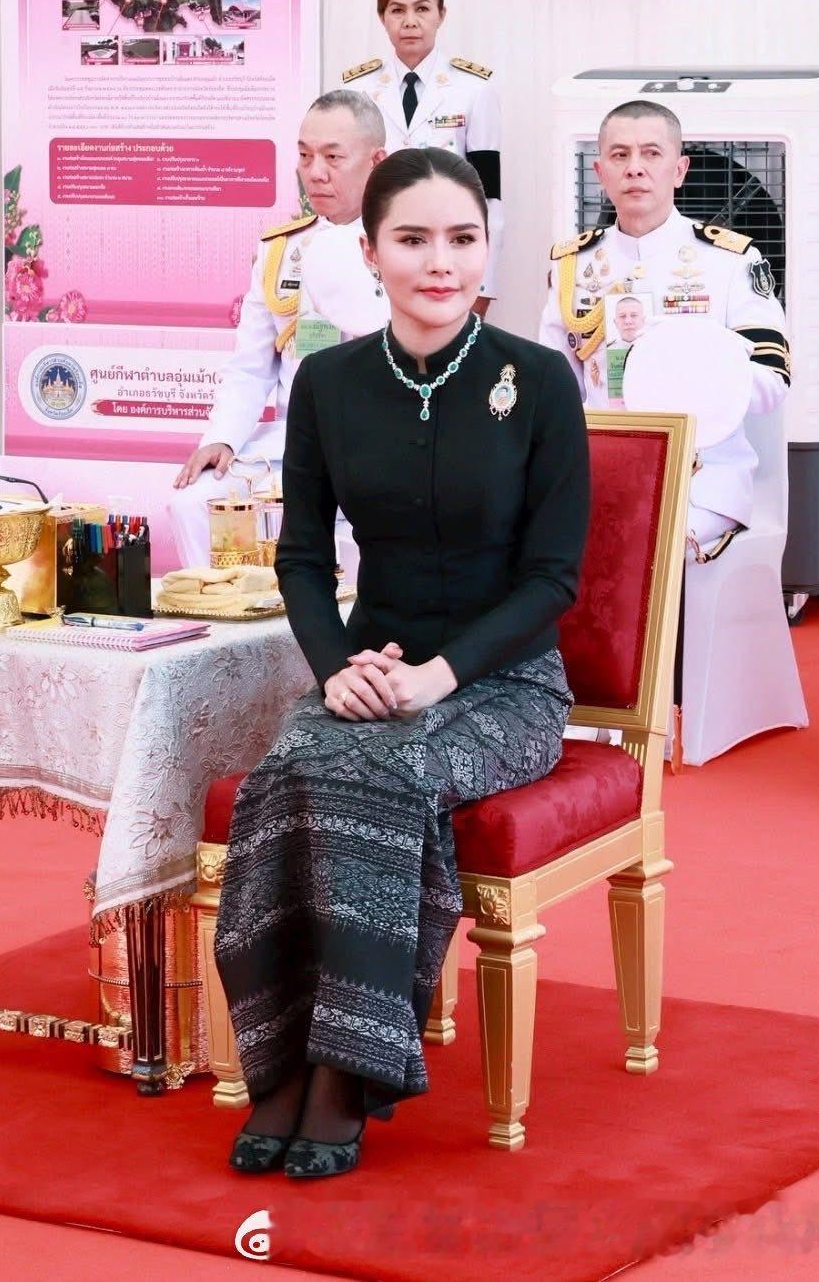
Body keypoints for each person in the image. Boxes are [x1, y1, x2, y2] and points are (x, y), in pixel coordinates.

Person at [213, 149, 589, 1179]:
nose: (440, 263)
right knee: (287, 769)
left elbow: (553, 579)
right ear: (371, 253)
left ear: (486, 249)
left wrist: (440, 676)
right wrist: (335, 667)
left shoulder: (538, 380)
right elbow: (300, 559)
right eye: (413, 240)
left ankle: (347, 1070)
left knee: (386, 768)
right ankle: (280, 1060)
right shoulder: (329, 382)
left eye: (462, 239)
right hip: (369, 666)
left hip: (506, 685)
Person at [539, 98, 791, 559]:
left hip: (701, 478)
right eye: (620, 155)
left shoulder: (730, 262)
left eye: (651, 153)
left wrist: (687, 361)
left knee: (637, 543)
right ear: (600, 172)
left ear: (679, 169)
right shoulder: (573, 267)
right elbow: (553, 388)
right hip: (600, 470)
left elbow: (772, 381)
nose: (635, 168)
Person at [168, 91, 388, 566]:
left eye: (333, 158)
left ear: (377, 161)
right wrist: (222, 437)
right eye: (305, 156)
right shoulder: (281, 251)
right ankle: (221, 612)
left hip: (379, 444)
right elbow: (250, 368)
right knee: (192, 501)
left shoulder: (405, 246)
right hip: (294, 443)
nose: (315, 172)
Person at [339, 0, 502, 314]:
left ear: (441, 14)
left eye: (422, 9)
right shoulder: (357, 90)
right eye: (397, 10)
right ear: (382, 17)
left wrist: (482, 286)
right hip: (376, 260)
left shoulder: (473, 89)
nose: (410, 21)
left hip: (446, 261)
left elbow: (489, 198)